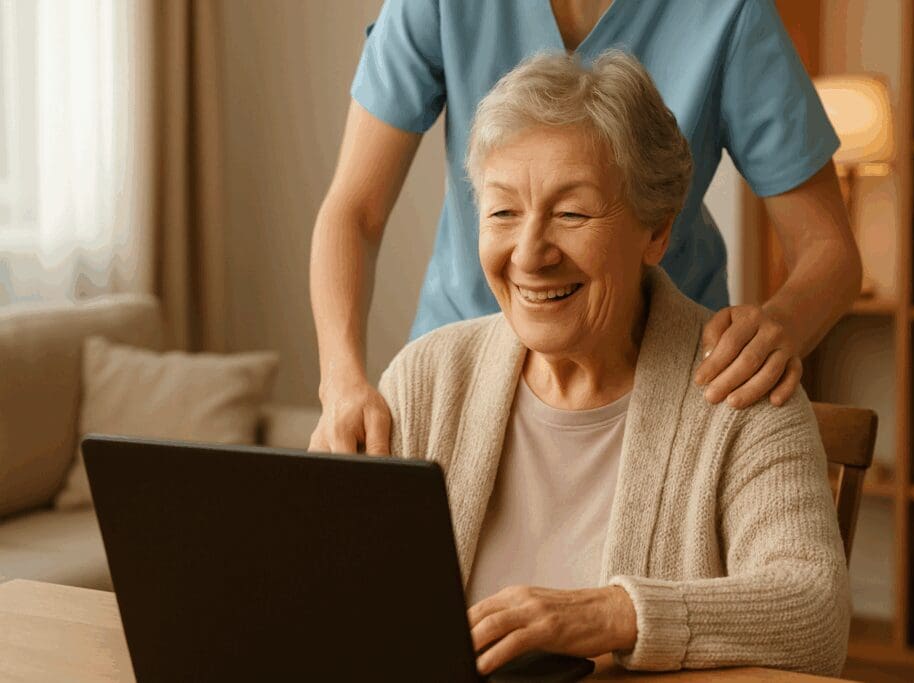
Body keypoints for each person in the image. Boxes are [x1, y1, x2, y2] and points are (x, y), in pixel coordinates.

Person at [376, 49, 849, 676]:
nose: (530, 254)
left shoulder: (742, 385)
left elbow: (814, 612)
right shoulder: (426, 379)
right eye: (503, 212)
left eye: (571, 213)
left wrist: (613, 614)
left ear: (656, 232)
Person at [308, 0, 861, 456]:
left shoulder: (729, 12)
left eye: (572, 213)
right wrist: (340, 380)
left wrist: (781, 326)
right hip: (464, 375)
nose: (532, 251)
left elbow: (828, 249)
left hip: (671, 383)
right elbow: (355, 210)